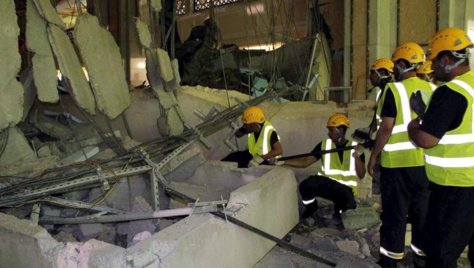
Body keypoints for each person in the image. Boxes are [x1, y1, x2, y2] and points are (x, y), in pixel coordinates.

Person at [407, 27, 474, 268]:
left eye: (434, 61)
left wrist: (414, 126)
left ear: (446, 60)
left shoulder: (450, 92)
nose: (432, 68)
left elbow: (427, 139)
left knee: (440, 255)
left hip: (456, 188)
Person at [367, 42, 434, 267]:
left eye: (396, 64)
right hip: (425, 165)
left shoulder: (393, 90)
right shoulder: (432, 89)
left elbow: (386, 127)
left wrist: (374, 155)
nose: (393, 68)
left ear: (403, 64)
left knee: (395, 217)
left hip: (396, 166)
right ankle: (420, 258)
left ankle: (389, 261)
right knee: (421, 216)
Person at [280, 114, 366, 223]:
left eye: (331, 130)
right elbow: (305, 162)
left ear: (341, 130)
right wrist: (283, 161)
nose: (329, 134)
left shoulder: (355, 147)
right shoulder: (324, 145)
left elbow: (361, 174)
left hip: (344, 190)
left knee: (347, 210)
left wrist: (356, 156)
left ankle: (338, 213)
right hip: (327, 185)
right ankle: (311, 208)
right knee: (305, 185)